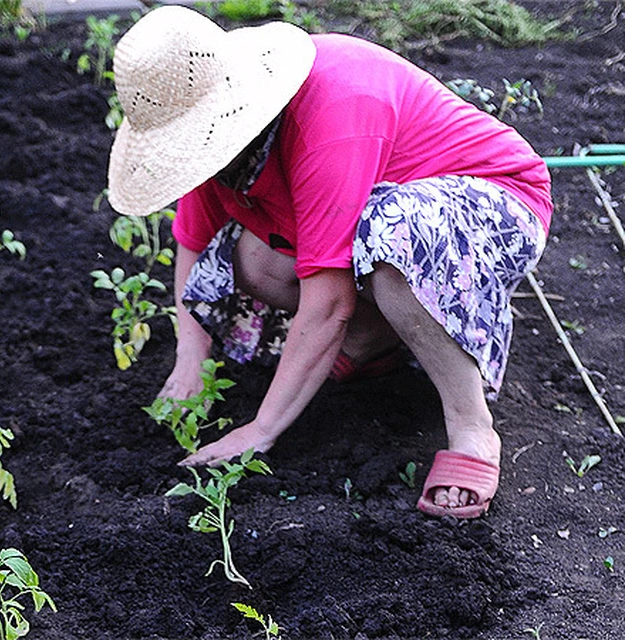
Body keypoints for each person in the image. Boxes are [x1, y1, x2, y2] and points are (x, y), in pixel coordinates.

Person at [106, 6, 551, 519]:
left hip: (493, 206)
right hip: (383, 221)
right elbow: (192, 242)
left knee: (392, 237)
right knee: (247, 256)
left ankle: (471, 426)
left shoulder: (329, 113)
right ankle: (370, 345)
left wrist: (263, 429)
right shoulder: (218, 149)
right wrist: (190, 361)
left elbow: (329, 298)